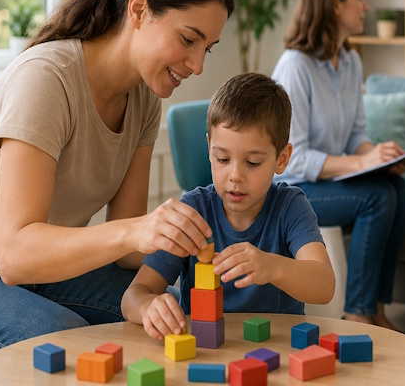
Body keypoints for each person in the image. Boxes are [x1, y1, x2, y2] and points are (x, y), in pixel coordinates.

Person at [0, 0, 234, 363]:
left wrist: (203, 236)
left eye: (207, 47)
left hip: (46, 272)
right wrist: (136, 229)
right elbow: (15, 255)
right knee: (67, 342)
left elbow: (130, 251)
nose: (198, 65)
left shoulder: (146, 96)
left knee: (169, 310)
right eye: (189, 39)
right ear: (138, 9)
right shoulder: (47, 79)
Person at [121, 72, 335, 339]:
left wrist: (272, 267)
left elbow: (324, 285)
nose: (235, 175)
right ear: (209, 148)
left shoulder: (290, 207)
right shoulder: (193, 212)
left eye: (253, 162)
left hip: (278, 351)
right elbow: (134, 294)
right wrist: (147, 306)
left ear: (282, 159)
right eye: (223, 159)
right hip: (206, 352)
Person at [271, 0, 405, 329]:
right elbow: (293, 157)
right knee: (377, 197)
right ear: (335, 3)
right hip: (293, 187)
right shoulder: (295, 66)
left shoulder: (350, 62)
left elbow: (356, 137)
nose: (366, 6)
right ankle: (358, 314)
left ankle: (377, 307)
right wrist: (360, 164)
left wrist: (379, 157)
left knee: (396, 187)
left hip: (328, 182)